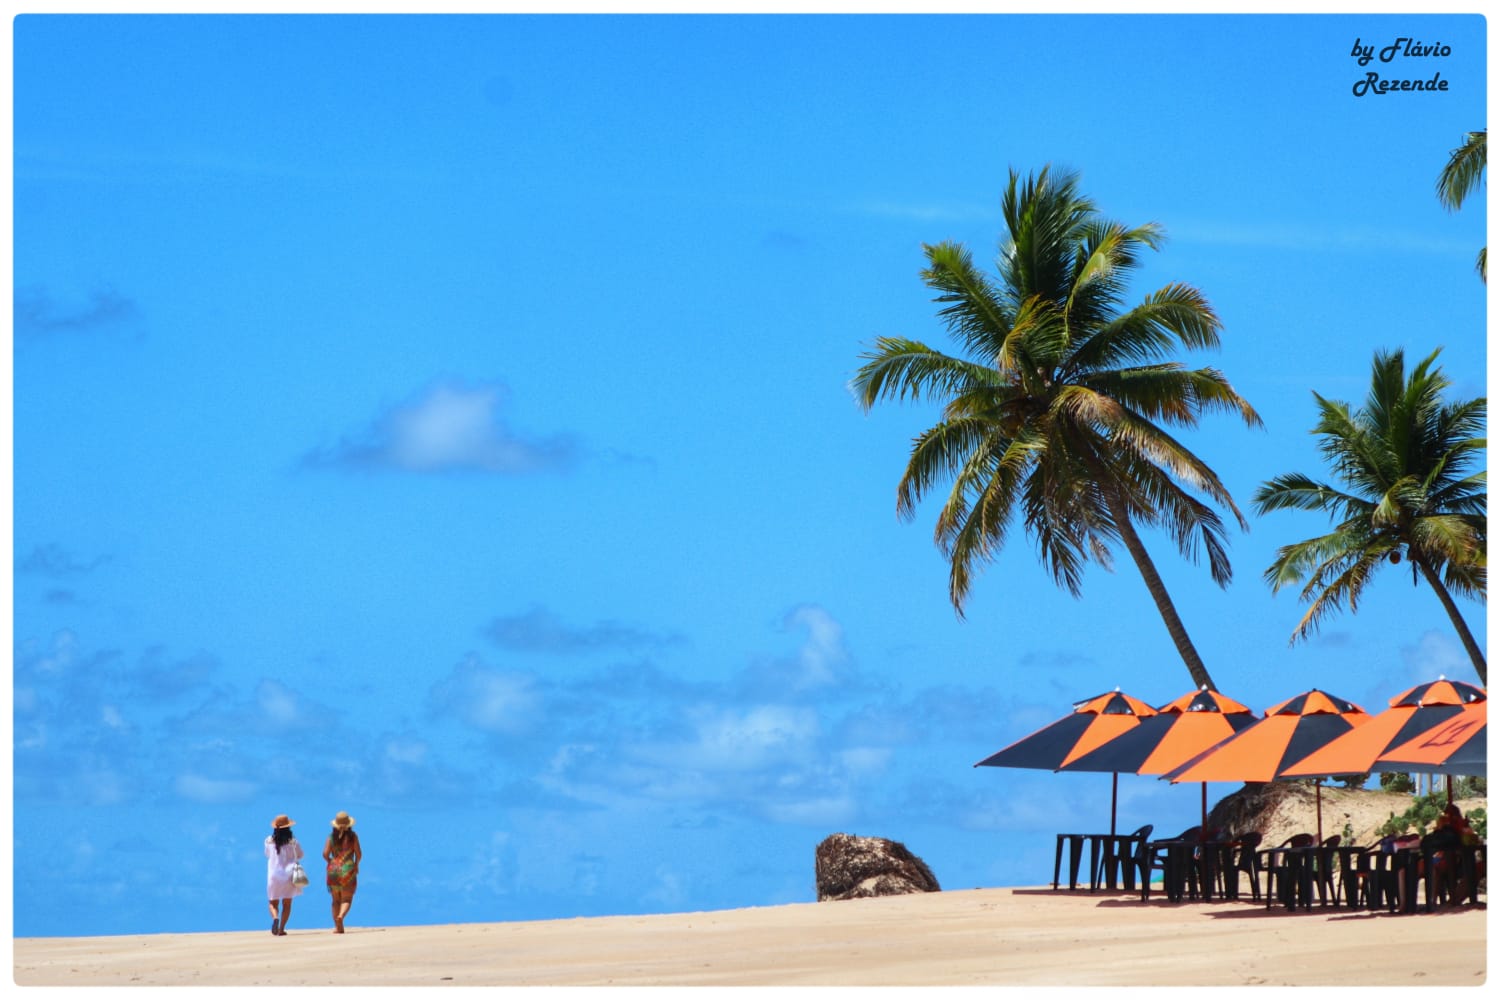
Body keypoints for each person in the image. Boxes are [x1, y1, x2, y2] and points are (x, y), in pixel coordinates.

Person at [323, 811, 362, 933]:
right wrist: (356, 864)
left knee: (335, 901)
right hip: (347, 870)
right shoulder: (353, 837)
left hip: (333, 870)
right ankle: (341, 916)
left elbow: (325, 854)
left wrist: (331, 862)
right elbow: (359, 854)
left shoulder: (331, 837)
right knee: (346, 899)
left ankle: (337, 927)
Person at [265, 814, 305, 935]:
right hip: (289, 874)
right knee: (287, 904)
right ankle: (281, 929)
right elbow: (300, 855)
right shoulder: (293, 841)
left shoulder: (268, 841)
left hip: (273, 875)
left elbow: (267, 854)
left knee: (273, 903)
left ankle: (275, 918)